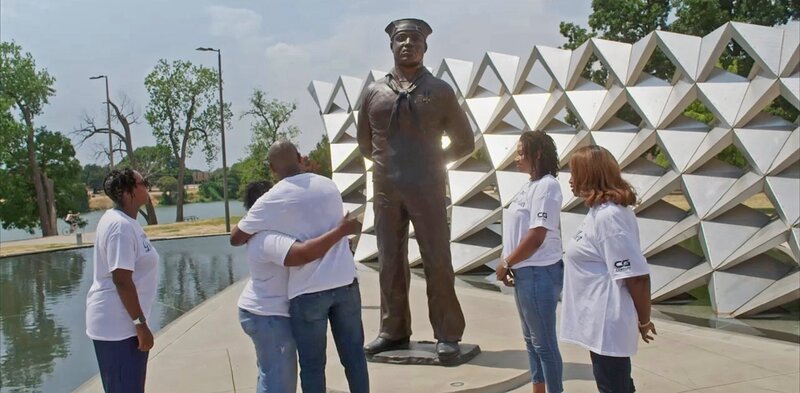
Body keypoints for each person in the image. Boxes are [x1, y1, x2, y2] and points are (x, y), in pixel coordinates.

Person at [357, 18, 475, 361]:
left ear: (425, 47)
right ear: (391, 47)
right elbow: (366, 143)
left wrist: (431, 161)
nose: (407, 44)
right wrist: (391, 166)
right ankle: (393, 331)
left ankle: (447, 333)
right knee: (390, 261)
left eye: (414, 40)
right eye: (401, 40)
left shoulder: (439, 90)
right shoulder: (373, 93)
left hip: (428, 187)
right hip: (386, 189)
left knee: (438, 260)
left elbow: (465, 142)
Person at [230, 140, 369, 393]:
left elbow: (236, 238)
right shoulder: (328, 185)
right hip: (346, 282)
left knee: (313, 366)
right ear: (299, 156)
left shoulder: (272, 198)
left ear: (272, 169)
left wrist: (261, 221)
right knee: (354, 357)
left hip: (308, 290)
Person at [560, 145, 656, 393]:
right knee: (618, 386)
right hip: (598, 322)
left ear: (589, 175)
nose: (570, 180)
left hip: (607, 323)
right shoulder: (598, 213)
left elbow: (636, 276)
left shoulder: (608, 217)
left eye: (574, 172)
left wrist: (644, 320)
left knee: (614, 387)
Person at [496, 131, 564, 393]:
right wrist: (510, 262)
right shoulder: (529, 186)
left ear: (537, 154)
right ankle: (538, 389)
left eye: (521, 152)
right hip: (526, 272)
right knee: (531, 340)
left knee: (544, 344)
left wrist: (508, 262)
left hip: (539, 273)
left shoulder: (547, 186)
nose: (516, 158)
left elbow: (537, 235)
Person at [85, 169, 158, 393]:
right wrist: (140, 325)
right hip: (117, 328)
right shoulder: (120, 227)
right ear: (126, 192)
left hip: (124, 326)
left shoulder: (127, 222)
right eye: (142, 182)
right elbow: (121, 279)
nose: (147, 186)